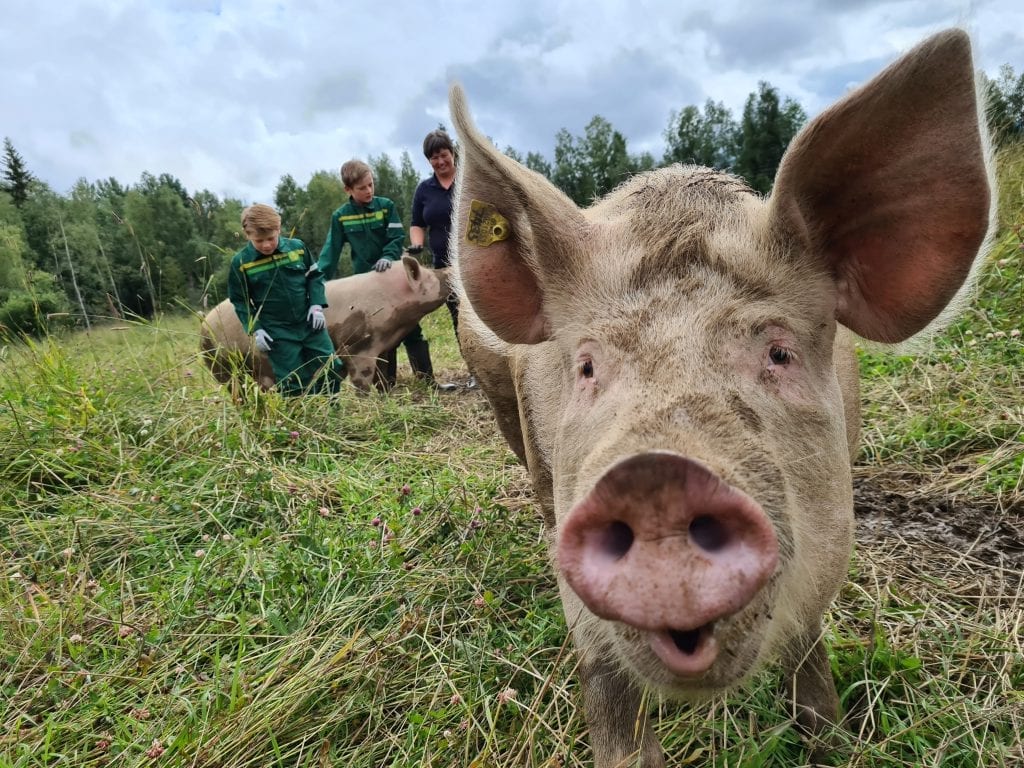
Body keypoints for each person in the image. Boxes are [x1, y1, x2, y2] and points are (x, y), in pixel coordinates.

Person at [316, 159, 439, 390]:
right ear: (348, 190)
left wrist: (387, 255)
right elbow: (330, 253)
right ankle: (386, 386)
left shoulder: (385, 206)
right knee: (379, 333)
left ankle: (427, 381)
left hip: (394, 280)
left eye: (371, 185)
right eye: (362, 188)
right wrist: (315, 281)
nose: (369, 191)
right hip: (366, 287)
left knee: (411, 328)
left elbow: (395, 237)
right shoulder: (341, 216)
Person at [227, 204, 342, 396]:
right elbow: (240, 301)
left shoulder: (297, 249)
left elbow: (314, 277)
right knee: (293, 380)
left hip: (309, 323)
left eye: (271, 238)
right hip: (277, 331)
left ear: (279, 229)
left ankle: (330, 410)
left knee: (330, 366)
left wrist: (316, 305)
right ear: (247, 235)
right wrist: (256, 329)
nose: (266, 245)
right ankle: (300, 418)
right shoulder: (241, 263)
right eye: (259, 240)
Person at [410, 129, 459, 331]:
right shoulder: (424, 189)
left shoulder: (469, 180)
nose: (440, 161)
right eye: (434, 157)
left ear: (452, 153)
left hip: (475, 260)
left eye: (443, 155)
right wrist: (417, 244)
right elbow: (417, 223)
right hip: (444, 265)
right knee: (458, 318)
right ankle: (472, 360)